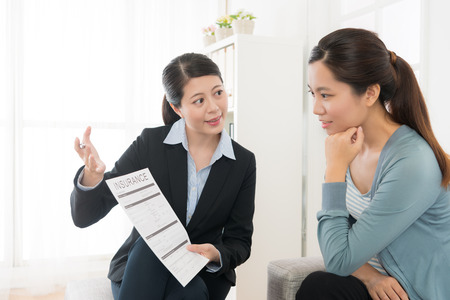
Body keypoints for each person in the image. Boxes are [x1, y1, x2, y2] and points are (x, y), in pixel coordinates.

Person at [70, 53, 256, 300]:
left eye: (218, 93)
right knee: (154, 247)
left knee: (190, 292)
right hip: (143, 268)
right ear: (177, 107)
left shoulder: (243, 162)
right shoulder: (150, 145)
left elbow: (240, 242)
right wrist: (92, 177)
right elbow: (84, 217)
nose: (214, 107)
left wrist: (216, 253)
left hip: (201, 272)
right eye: (199, 100)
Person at [297, 28, 450, 300]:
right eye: (313, 94)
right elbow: (337, 245)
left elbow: (338, 259)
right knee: (320, 285)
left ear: (369, 93)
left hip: (412, 293)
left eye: (326, 95)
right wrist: (370, 276)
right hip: (381, 285)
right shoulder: (348, 145)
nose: (316, 109)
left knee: (320, 287)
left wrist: (334, 170)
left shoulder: (412, 161)